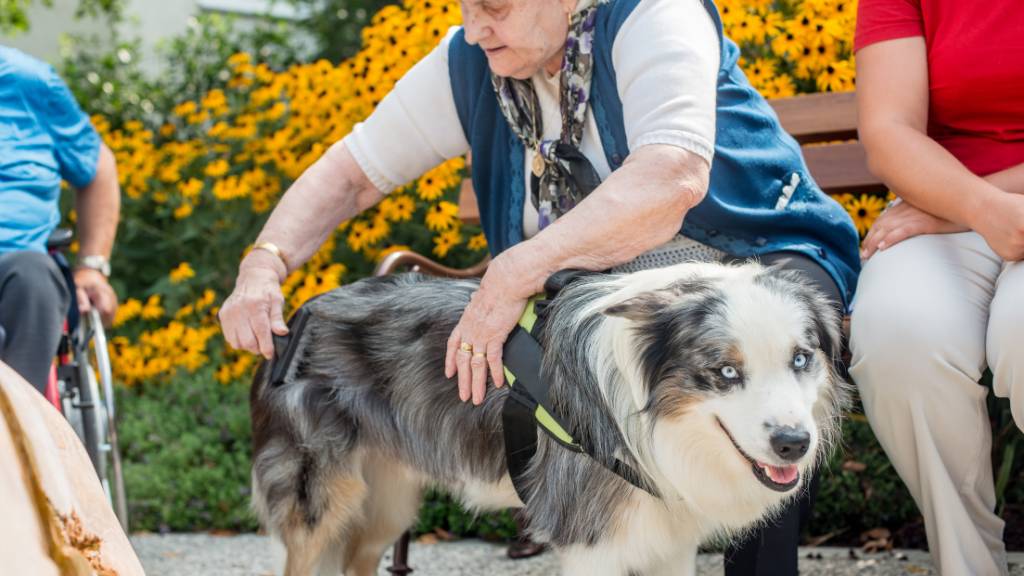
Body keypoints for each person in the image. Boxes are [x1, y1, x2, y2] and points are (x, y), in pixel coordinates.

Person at [219, 0, 860, 572]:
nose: (473, 29)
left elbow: (670, 179)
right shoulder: (473, 65)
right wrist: (264, 262)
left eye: (492, 7)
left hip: (757, 273)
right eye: (466, 8)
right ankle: (587, 522)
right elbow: (353, 174)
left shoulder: (651, 16)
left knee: (724, 372)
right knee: (577, 349)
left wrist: (518, 271)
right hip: (601, 299)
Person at [848, 1, 1024, 574]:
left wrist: (963, 208)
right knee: (899, 335)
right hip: (948, 202)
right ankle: (969, 564)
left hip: (946, 207)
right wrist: (976, 206)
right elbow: (888, 128)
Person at [0, 45, 121, 394]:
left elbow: (98, 167)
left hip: (17, 273)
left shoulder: (28, 82)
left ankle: (18, 432)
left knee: (34, 277)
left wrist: (92, 265)